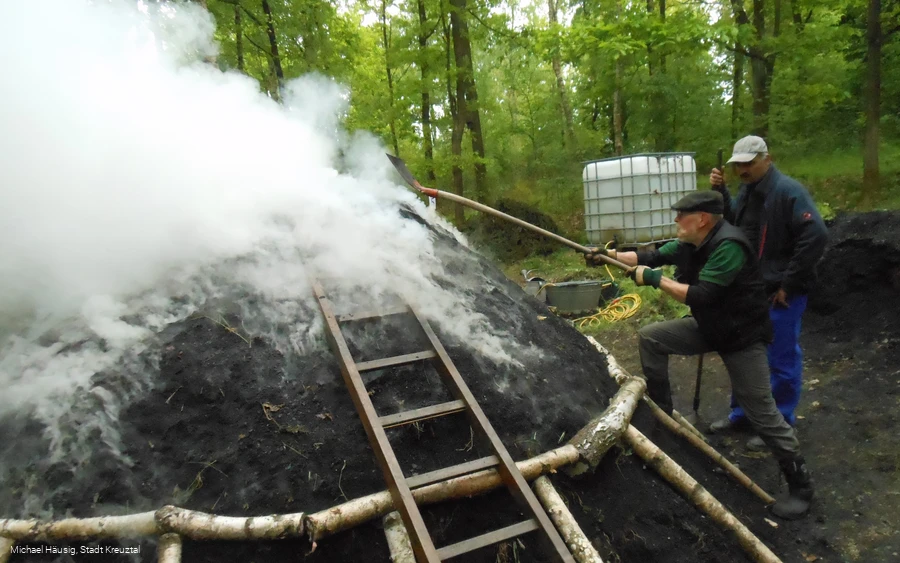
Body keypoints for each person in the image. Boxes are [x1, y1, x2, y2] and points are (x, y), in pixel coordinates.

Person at [585, 190, 814, 519]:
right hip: (711, 327)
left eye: (682, 215)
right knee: (652, 338)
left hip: (741, 337)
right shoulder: (692, 243)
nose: (676, 220)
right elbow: (650, 256)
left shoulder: (729, 247)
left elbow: (703, 295)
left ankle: (801, 486)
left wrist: (655, 281)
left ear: (703, 219)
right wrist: (609, 255)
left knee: (762, 413)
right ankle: (662, 417)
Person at [709, 136, 828, 450]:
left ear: (767, 159)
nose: (743, 170)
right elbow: (735, 222)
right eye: (739, 165)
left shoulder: (788, 191)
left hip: (781, 292)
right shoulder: (748, 190)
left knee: (780, 357)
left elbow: (815, 235)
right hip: (752, 289)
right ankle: (743, 414)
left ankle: (780, 422)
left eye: (749, 163)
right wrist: (721, 191)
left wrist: (788, 283)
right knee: (744, 350)